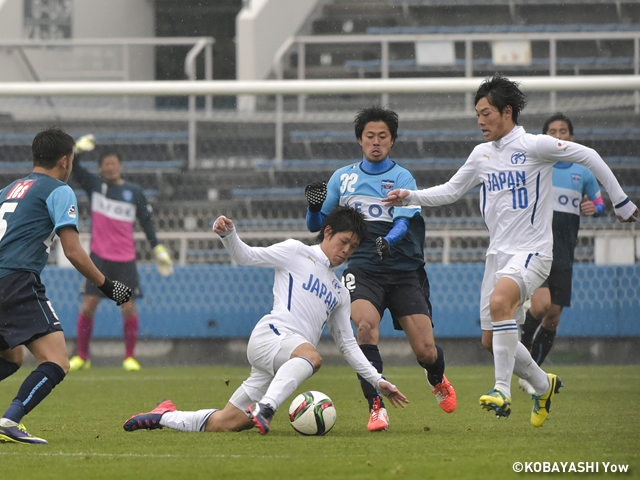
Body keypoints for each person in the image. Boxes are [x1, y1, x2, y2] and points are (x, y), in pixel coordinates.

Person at [383, 75, 637, 427]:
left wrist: (621, 202)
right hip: (498, 255)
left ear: (507, 111)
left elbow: (589, 155)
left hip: (534, 251)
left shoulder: (535, 145)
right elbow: (451, 191)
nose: (480, 120)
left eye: (486, 113)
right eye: (477, 114)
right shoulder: (482, 154)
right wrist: (410, 196)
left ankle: (502, 389)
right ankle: (541, 383)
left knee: (501, 303)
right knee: (491, 339)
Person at [123, 206, 409, 435]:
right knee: (314, 356)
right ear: (328, 231)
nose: (347, 250)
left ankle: (164, 416)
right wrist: (229, 235)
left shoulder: (339, 291)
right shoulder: (296, 252)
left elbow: (348, 345)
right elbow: (247, 256)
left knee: (227, 422)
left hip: (282, 364)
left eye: (354, 247)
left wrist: (377, 379)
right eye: (344, 241)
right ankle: (267, 408)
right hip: (271, 336)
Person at [304, 105, 455, 433]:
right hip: (363, 268)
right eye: (369, 136)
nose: (376, 142)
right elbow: (318, 225)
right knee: (366, 329)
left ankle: (436, 378)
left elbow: (404, 220)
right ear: (360, 140)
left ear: (392, 141)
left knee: (427, 351)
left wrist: (389, 240)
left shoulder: (402, 178)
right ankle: (376, 406)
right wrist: (314, 208)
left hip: (403, 271)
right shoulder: (343, 178)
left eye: (382, 136)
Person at [0, 127, 132, 444]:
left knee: (12, 356)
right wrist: (107, 286)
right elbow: (72, 250)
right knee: (57, 360)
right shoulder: (58, 190)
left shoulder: (9, 189)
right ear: (65, 161)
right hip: (16, 279)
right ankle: (8, 422)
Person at [68, 135, 174, 372]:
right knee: (88, 305)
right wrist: (78, 149)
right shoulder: (95, 186)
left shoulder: (133, 192)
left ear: (120, 166)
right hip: (98, 258)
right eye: (106, 164)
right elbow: (74, 167)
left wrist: (157, 248)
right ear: (101, 168)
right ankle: (83, 356)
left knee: (127, 307)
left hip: (124, 260)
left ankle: (129, 357)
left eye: (114, 163)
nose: (110, 167)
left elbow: (146, 222)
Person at [518, 114, 605, 394]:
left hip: (565, 252)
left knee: (553, 315)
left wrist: (596, 208)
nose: (558, 135)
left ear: (571, 136)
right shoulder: (538, 167)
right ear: (545, 137)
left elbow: (599, 201)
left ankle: (533, 374)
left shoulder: (583, 172)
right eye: (552, 131)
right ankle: (520, 350)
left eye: (563, 131)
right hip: (537, 248)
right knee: (541, 305)